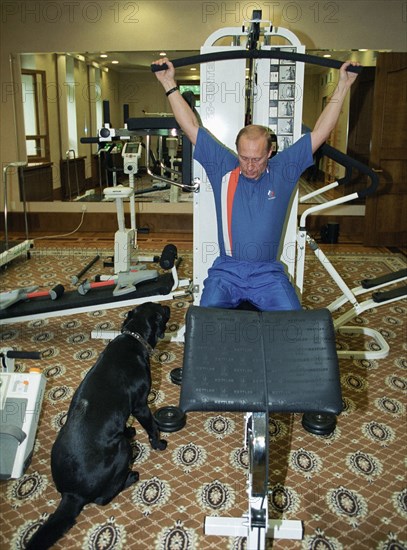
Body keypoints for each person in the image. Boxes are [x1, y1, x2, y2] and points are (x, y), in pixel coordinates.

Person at [153, 57, 360, 311]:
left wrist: (343, 85)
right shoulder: (224, 167)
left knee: (292, 324)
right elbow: (191, 126)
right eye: (244, 157)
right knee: (206, 324)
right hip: (227, 271)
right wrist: (168, 83)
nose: (249, 165)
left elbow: (319, 133)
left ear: (270, 152)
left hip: (268, 274)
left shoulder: (284, 169)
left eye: (257, 158)